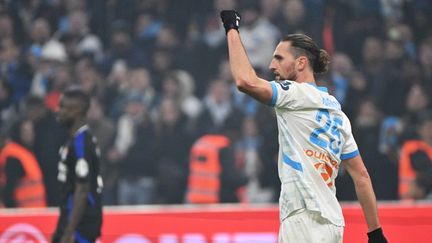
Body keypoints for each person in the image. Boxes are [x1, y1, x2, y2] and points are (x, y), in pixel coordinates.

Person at [220, 10, 387, 243]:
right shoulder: (338, 115)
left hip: (303, 218)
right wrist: (375, 232)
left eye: (279, 58)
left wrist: (231, 28)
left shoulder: (295, 95)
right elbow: (362, 176)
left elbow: (245, 81)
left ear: (300, 63)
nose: (271, 65)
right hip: (332, 223)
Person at [52, 87, 103, 243]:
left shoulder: (81, 144)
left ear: (77, 111)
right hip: (70, 218)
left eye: (63, 107)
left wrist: (69, 231)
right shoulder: (74, 140)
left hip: (81, 223)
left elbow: (82, 189)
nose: (58, 111)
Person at [0, 119, 46, 208]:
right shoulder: (14, 156)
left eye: (31, 130)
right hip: (21, 214)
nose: (30, 134)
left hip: (34, 213)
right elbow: (9, 190)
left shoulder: (25, 153)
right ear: (18, 133)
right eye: (25, 131)